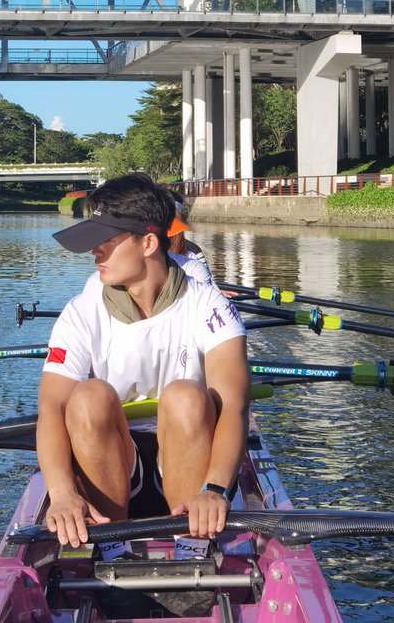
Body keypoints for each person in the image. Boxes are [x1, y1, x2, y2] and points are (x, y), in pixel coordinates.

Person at [37, 173, 250, 556]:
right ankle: (110, 547)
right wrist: (61, 492)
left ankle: (192, 550)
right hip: (113, 460)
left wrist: (215, 489)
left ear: (149, 242)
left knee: (186, 395)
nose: (94, 252)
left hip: (191, 457)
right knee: (86, 397)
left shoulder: (210, 305)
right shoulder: (80, 312)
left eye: (106, 241)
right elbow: (51, 408)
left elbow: (234, 406)